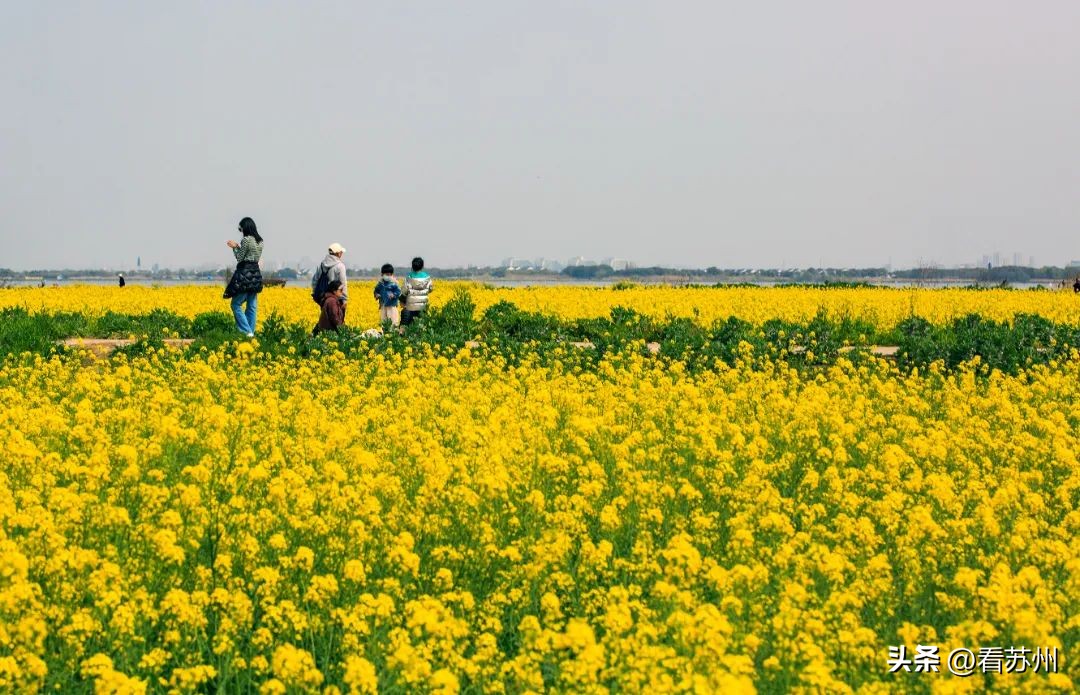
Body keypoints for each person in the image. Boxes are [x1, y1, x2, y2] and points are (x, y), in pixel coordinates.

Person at [223, 217, 264, 337]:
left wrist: (235, 247)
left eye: (240, 228)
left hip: (245, 274)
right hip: (255, 274)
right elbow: (252, 256)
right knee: (251, 306)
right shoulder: (260, 241)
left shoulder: (246, 240)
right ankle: (251, 333)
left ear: (245, 227)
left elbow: (240, 258)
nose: (240, 231)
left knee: (235, 304)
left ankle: (247, 332)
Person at [312, 243, 349, 314]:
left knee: (326, 319)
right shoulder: (340, 266)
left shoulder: (322, 264)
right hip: (336, 298)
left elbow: (315, 280)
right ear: (338, 253)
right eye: (341, 252)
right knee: (336, 320)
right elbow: (343, 284)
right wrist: (344, 300)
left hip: (324, 298)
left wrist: (317, 295)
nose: (342, 254)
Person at [400, 256, 433, 326]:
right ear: (422, 266)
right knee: (421, 327)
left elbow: (404, 291)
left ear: (412, 266)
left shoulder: (409, 278)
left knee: (407, 327)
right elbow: (430, 289)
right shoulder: (427, 278)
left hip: (410, 307)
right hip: (423, 307)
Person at [373, 263, 401, 327]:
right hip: (383, 305)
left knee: (393, 321)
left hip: (392, 305)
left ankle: (393, 334)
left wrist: (394, 295)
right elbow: (376, 291)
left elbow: (398, 291)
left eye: (390, 274)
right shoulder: (380, 284)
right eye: (387, 274)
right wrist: (376, 295)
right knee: (384, 321)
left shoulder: (394, 283)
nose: (389, 276)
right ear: (382, 274)